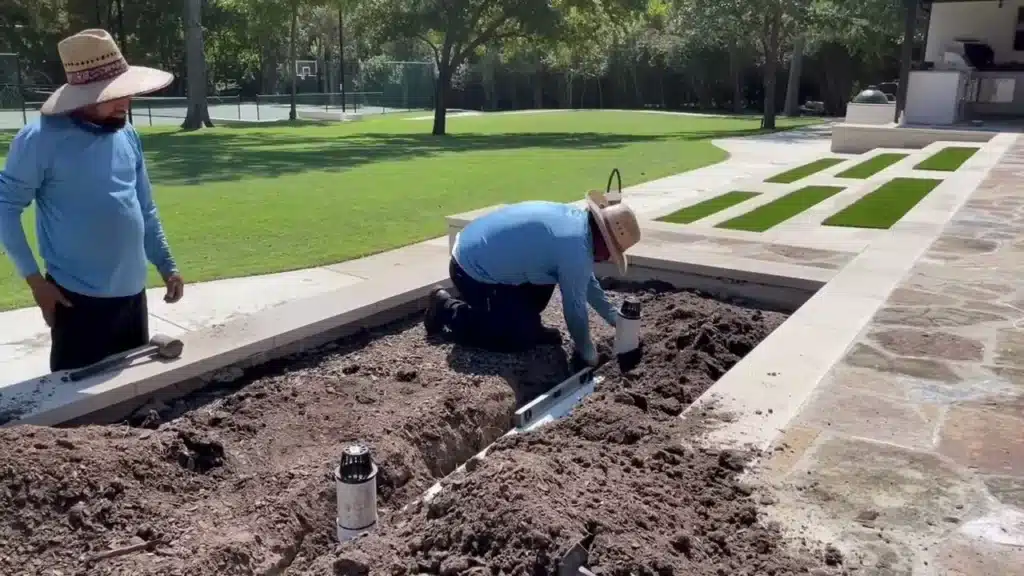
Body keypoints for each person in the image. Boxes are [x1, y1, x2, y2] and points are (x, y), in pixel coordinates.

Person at [0, 29, 183, 373]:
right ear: (82, 95)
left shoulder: (126, 133)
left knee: (133, 399)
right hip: (76, 302)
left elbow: (145, 206)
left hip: (133, 296)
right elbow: (5, 209)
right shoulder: (39, 140)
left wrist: (167, 264)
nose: (124, 103)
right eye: (112, 95)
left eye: (125, 93)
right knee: (79, 413)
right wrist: (36, 283)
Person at [423, 191, 641, 367]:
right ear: (603, 240)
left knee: (541, 291)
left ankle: (521, 320)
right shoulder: (574, 248)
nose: (607, 258)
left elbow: (586, 282)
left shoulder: (577, 226)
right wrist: (588, 354)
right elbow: (575, 309)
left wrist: (615, 319)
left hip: (485, 253)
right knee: (518, 337)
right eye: (611, 252)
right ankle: (446, 308)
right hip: (472, 271)